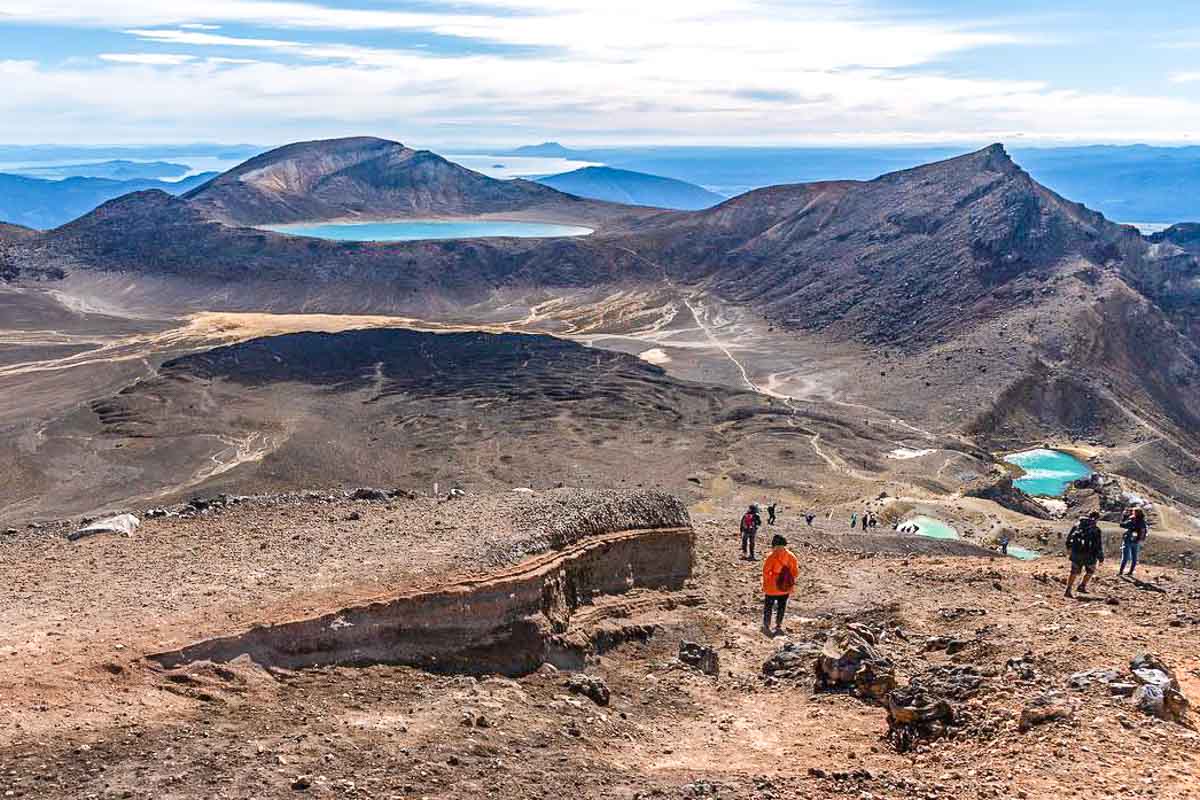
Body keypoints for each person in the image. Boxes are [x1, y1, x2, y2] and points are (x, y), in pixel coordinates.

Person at [761, 534, 799, 636]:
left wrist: (766, 584)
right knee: (781, 607)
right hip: (785, 587)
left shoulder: (771, 556)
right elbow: (795, 573)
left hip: (772, 587)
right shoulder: (791, 556)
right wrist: (788, 581)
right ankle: (778, 625)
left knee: (768, 606)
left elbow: (765, 572)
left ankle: (766, 625)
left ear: (774, 545)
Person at [1064, 511, 1104, 597]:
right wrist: (1100, 557)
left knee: (1073, 572)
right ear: (1097, 519)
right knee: (1090, 571)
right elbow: (1098, 545)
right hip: (1089, 555)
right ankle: (1082, 586)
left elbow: (1068, 539)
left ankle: (1068, 589)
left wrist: (1069, 549)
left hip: (1076, 552)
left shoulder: (1077, 526)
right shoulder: (1096, 529)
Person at [1119, 507, 1148, 577]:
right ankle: (1130, 572)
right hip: (1137, 541)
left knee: (1125, 557)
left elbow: (1122, 525)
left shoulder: (1132, 520)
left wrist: (1124, 516)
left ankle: (1120, 572)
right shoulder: (1143, 522)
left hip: (1128, 540)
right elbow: (1144, 531)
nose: (1132, 513)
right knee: (1134, 557)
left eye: (1133, 512)